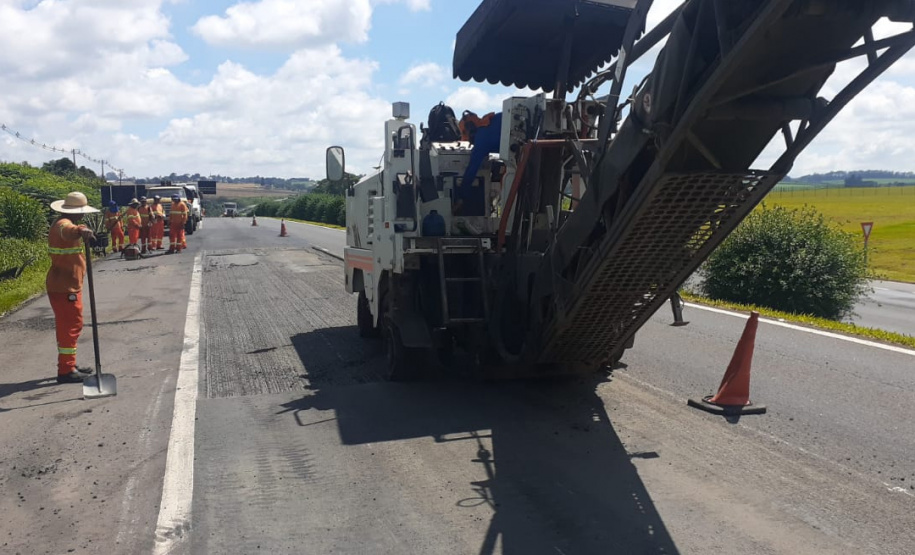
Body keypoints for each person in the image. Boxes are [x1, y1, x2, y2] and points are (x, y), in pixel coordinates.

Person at [47, 192, 97, 383]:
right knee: (70, 327)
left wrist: (82, 229)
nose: (83, 216)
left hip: (67, 284)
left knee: (70, 325)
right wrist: (81, 231)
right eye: (81, 213)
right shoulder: (64, 225)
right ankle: (66, 370)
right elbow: (68, 231)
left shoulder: (68, 223)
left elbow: (74, 229)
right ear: (75, 212)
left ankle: (70, 364)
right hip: (64, 287)